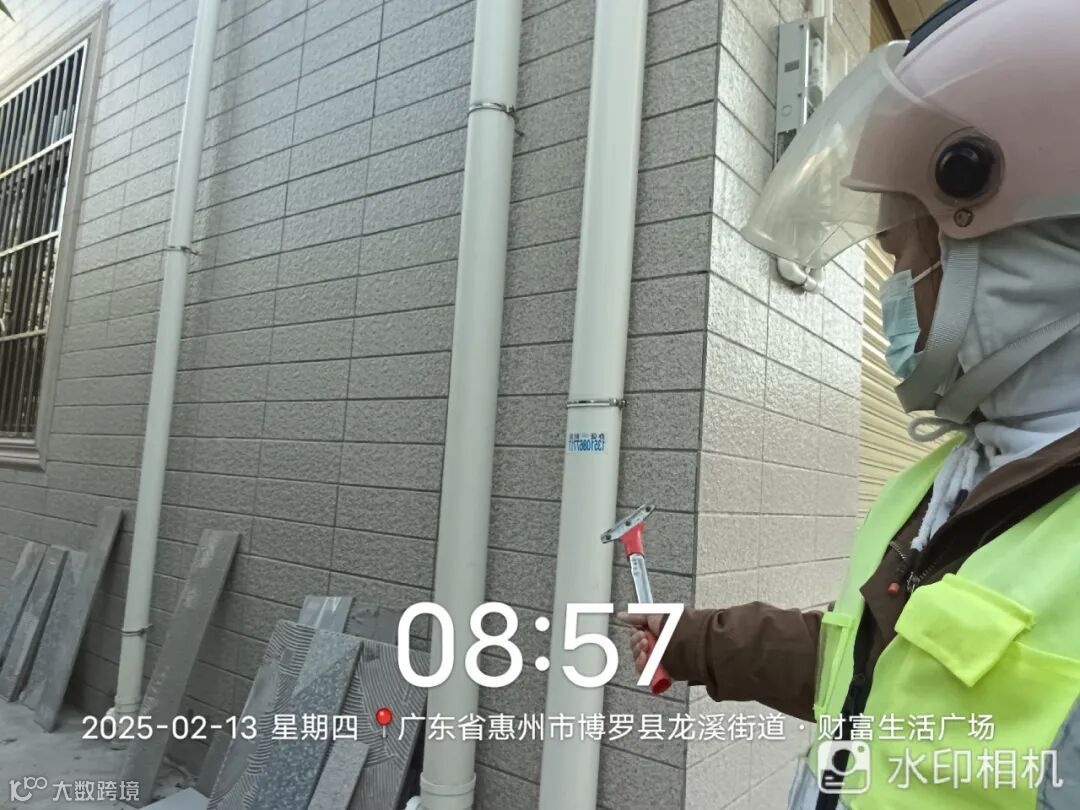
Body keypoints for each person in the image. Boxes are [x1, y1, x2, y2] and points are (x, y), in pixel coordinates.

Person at [622, 1, 1080, 807]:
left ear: (1022, 255)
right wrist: (693, 641)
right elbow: (869, 664)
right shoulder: (952, 476)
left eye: (905, 251)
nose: (892, 291)